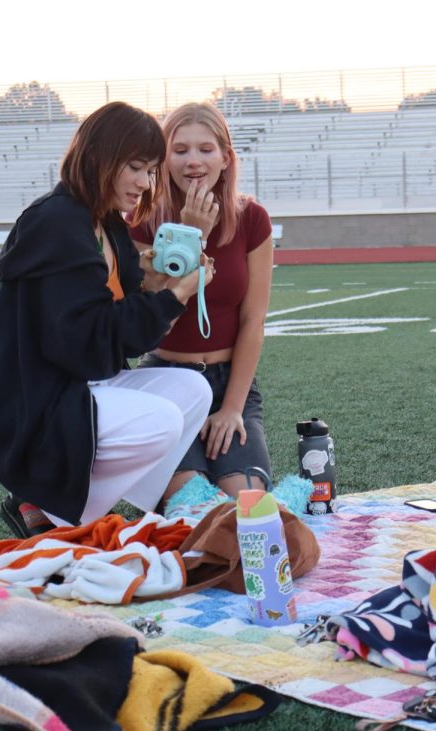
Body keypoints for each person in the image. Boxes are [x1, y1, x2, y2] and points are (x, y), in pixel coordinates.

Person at [0, 101, 215, 538]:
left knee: (192, 388)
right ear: (100, 157)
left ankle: (153, 508)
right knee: (161, 421)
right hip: (24, 403)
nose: (145, 182)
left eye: (152, 170)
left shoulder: (106, 222)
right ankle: (56, 519)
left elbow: (124, 339)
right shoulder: (57, 222)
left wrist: (155, 287)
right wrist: (172, 297)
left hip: (74, 381)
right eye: (136, 167)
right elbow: (86, 339)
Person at [130, 102, 275, 501]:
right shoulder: (143, 222)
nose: (193, 161)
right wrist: (192, 237)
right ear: (164, 160)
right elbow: (154, 321)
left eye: (205, 149)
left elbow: (253, 321)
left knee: (246, 501)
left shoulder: (252, 219)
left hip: (229, 381)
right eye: (180, 151)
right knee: (192, 504)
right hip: (166, 379)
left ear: (226, 157)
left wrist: (231, 409)